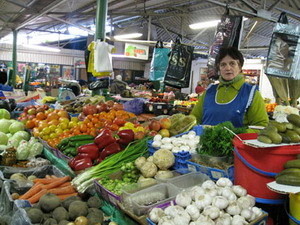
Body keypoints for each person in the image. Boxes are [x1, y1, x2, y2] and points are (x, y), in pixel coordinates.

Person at [191, 47, 269, 130]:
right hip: (205, 141)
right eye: (223, 64)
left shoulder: (251, 93)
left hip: (235, 142)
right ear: (219, 68)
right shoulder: (209, 91)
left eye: (232, 63)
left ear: (240, 67)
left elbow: (260, 126)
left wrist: (239, 136)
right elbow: (194, 119)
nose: (228, 68)